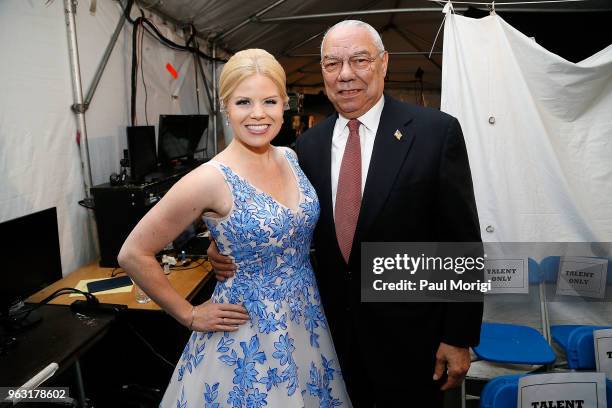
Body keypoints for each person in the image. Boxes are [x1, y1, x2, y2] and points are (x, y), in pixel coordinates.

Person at [209, 21, 483, 406]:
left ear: (384, 64)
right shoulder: (307, 146)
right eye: (333, 63)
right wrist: (225, 246)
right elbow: (285, 220)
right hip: (328, 338)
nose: (346, 74)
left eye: (359, 60)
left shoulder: (435, 133)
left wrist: (458, 336)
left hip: (411, 344)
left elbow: (461, 242)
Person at [118, 49, 351, 408]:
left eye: (269, 101)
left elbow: (282, 230)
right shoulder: (208, 179)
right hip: (246, 334)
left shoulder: (289, 157)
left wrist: (222, 242)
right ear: (225, 106)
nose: (258, 114)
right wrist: (189, 314)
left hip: (304, 319)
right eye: (244, 102)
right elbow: (133, 253)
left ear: (284, 104)